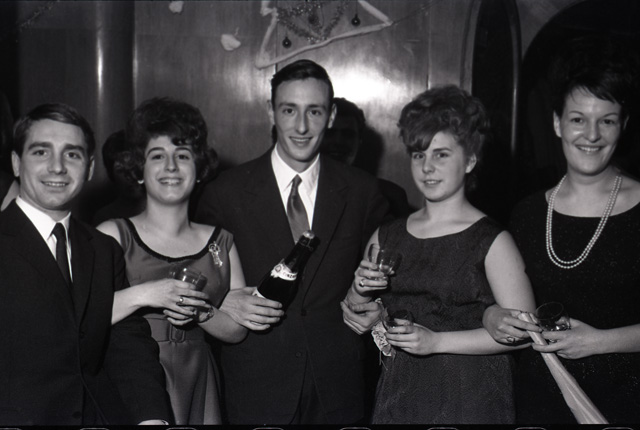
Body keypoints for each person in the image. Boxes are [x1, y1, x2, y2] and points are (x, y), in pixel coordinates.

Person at [195, 59, 389, 424]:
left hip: (338, 388)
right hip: (255, 387)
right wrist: (220, 299)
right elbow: (197, 278)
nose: (301, 127)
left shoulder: (363, 192)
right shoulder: (225, 193)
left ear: (331, 116)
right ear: (271, 111)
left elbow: (387, 281)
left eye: (314, 111)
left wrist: (379, 310)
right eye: (289, 110)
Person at [342, 85, 536, 424]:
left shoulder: (492, 240)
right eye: (419, 155)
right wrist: (359, 291)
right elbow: (356, 313)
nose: (427, 167)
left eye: (441, 154)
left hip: (472, 397)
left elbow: (524, 335)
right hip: (399, 394)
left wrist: (437, 342)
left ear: (470, 160)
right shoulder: (387, 234)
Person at [483, 36, 640, 424]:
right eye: (578, 119)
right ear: (557, 123)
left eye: (606, 120)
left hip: (625, 399)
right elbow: (504, 304)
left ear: (623, 126)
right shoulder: (527, 212)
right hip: (540, 397)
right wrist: (492, 316)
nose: (591, 135)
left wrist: (599, 341)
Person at [0, 103, 171, 425]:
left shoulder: (103, 248)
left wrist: (152, 418)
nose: (57, 167)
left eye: (72, 154)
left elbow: (126, 345)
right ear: (16, 163)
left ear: (89, 168)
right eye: (41, 152)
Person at [97, 97, 247, 425]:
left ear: (199, 168)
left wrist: (202, 312)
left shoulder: (221, 242)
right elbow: (82, 315)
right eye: (157, 156)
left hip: (200, 381)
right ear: (138, 170)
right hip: (131, 382)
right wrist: (148, 294)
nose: (170, 167)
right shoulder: (112, 234)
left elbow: (237, 330)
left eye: (182, 155)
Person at [322, 97, 412, 218]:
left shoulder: (390, 197)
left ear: (359, 141)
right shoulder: (298, 190)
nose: (338, 141)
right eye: (329, 133)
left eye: (348, 134)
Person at [92, 129, 145, 225]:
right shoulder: (105, 217)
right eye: (121, 170)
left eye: (134, 168)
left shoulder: (166, 210)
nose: (131, 176)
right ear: (111, 174)